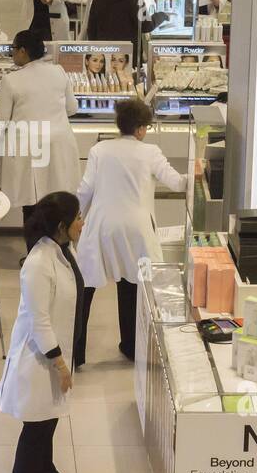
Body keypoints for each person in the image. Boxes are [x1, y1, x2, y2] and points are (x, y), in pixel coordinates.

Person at [76, 99, 187, 365]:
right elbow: (177, 182)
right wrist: (196, 175)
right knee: (132, 286)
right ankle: (131, 346)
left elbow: (85, 189)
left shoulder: (100, 150)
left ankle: (75, 353)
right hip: (137, 230)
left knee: (86, 288)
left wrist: (75, 219)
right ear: (140, 129)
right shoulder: (150, 152)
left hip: (101, 226)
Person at [0, 191, 81, 473]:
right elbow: (38, 319)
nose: (82, 222)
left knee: (49, 419)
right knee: (36, 427)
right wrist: (60, 363)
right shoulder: (38, 263)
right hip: (39, 359)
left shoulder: (61, 250)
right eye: (77, 218)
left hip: (54, 352)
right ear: (62, 225)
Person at [0, 31, 80, 221]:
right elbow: (72, 107)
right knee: (57, 203)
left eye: (13, 49)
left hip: (30, 149)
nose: (12, 54)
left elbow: (1, 119)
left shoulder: (11, 80)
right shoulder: (58, 71)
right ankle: (59, 249)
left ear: (23, 51)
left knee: (32, 205)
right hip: (59, 144)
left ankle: (35, 250)